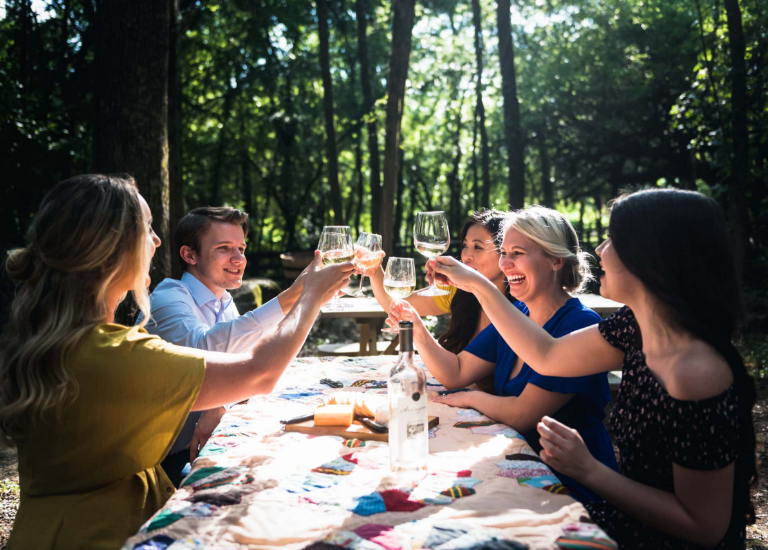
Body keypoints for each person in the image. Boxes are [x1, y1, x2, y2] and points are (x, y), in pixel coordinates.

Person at [0, 174, 354, 549]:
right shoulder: (116, 355)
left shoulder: (60, 343)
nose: (156, 240)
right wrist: (309, 298)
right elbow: (258, 372)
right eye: (147, 229)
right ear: (109, 251)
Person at [429, 189, 757, 548]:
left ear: (654, 257)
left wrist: (589, 470)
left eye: (615, 239)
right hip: (623, 518)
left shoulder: (694, 372)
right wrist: (477, 284)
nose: (600, 249)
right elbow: (546, 354)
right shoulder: (634, 325)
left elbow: (703, 527)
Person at [389, 206, 617, 502]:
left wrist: (470, 397)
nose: (506, 264)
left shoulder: (580, 323)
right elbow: (455, 372)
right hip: (513, 468)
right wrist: (416, 328)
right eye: (503, 253)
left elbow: (523, 415)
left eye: (518, 253)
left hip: (567, 488)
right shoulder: (516, 314)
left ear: (555, 259)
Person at [142, 206, 315, 487]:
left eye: (241, 249)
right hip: (160, 463)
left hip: (202, 448)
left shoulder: (223, 301)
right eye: (224, 248)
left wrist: (218, 405)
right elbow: (204, 349)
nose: (239, 259)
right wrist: (294, 294)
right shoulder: (167, 298)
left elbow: (245, 361)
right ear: (190, 255)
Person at [367, 209, 511, 353]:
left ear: (505, 252)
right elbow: (394, 304)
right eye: (465, 246)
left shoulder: (522, 305)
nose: (467, 256)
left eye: (477, 247)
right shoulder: (457, 291)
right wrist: (374, 270)